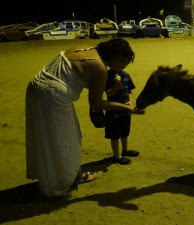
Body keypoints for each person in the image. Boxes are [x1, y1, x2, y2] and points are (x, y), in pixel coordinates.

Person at [25, 38, 136, 197]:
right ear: (114, 55)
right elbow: (96, 103)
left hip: (36, 88)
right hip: (53, 97)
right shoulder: (100, 67)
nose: (123, 66)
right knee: (64, 140)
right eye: (122, 61)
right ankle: (58, 185)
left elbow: (81, 78)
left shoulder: (83, 49)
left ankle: (66, 175)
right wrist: (125, 107)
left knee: (49, 136)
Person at [105, 69, 140, 165]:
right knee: (115, 134)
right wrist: (116, 88)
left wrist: (130, 102)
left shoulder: (126, 75)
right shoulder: (107, 75)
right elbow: (108, 93)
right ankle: (117, 156)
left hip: (125, 110)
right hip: (113, 110)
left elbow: (129, 91)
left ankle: (125, 150)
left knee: (125, 131)